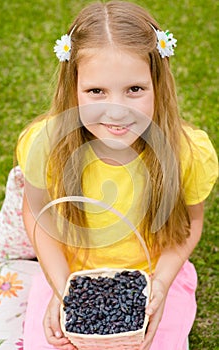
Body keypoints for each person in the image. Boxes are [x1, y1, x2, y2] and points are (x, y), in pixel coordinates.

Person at [16, 1, 218, 349]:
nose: (116, 110)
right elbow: (36, 212)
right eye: (96, 91)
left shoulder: (188, 152)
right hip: (69, 273)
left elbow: (190, 224)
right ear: (72, 86)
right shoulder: (46, 144)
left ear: (158, 84)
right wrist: (64, 289)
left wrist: (162, 282)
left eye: (134, 90)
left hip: (154, 275)